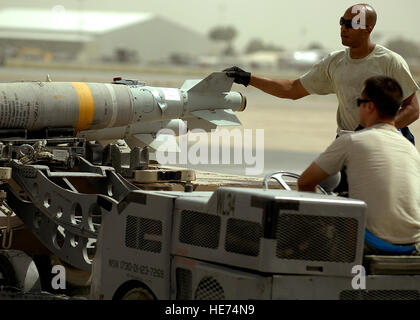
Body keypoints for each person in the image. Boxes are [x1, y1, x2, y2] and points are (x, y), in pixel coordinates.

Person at [224, 3, 419, 193]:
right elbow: (292, 89)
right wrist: (248, 78)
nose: (344, 28)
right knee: (339, 205)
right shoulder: (334, 63)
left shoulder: (390, 62)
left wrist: (376, 131)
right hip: (349, 144)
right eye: (342, 22)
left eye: (351, 24)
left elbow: (412, 108)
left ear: (368, 28)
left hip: (387, 147)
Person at [297, 76, 420, 253]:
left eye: (359, 102)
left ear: (369, 106)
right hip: (411, 245)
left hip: (372, 244)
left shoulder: (352, 141)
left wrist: (314, 223)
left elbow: (305, 182)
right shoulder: (410, 149)